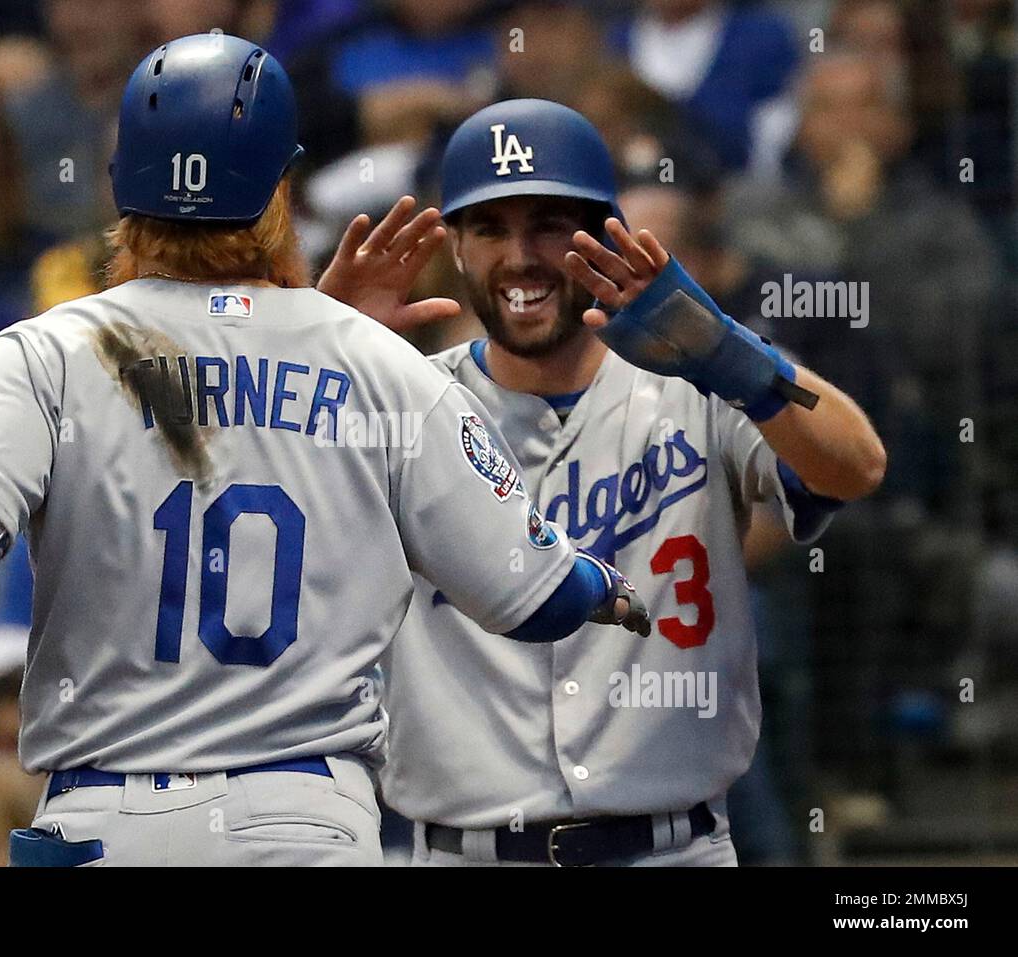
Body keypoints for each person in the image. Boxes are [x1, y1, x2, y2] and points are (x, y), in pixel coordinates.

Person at [0, 34, 649, 868]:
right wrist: (604, 585)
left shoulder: (45, 353)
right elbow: (531, 594)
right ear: (280, 188)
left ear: (123, 183)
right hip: (301, 820)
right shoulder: (375, 361)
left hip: (103, 823)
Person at [323, 98, 886, 866]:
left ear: (603, 233)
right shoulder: (398, 405)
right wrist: (316, 363)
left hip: (673, 848)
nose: (520, 256)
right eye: (490, 228)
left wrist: (724, 349)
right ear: (454, 247)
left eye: (549, 224)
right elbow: (245, 538)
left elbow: (856, 466)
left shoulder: (702, 384)